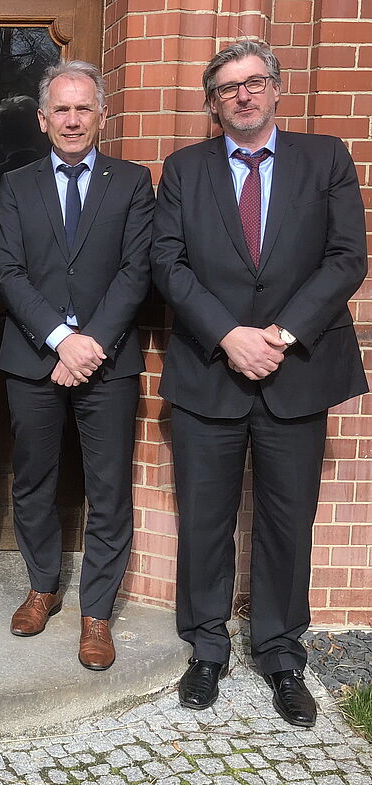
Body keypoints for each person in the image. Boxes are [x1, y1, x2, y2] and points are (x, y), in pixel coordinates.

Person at [151, 41, 368, 726]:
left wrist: (277, 335)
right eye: (226, 87)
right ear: (211, 103)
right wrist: (227, 334)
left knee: (285, 520)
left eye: (253, 82)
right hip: (208, 368)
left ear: (275, 89)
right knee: (205, 519)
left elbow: (345, 258)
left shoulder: (324, 157)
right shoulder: (183, 170)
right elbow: (167, 262)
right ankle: (206, 648)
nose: (242, 95)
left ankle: (278, 653)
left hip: (294, 370)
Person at [0, 60, 154, 670]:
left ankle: (96, 612)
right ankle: (41, 587)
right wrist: (62, 339)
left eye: (83, 108)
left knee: (108, 488)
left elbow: (136, 271)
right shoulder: (14, 184)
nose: (72, 119)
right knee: (34, 480)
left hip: (106, 363)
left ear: (102, 116)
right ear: (42, 119)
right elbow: (6, 270)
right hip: (33, 358)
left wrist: (91, 344)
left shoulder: (133, 182)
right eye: (60, 109)